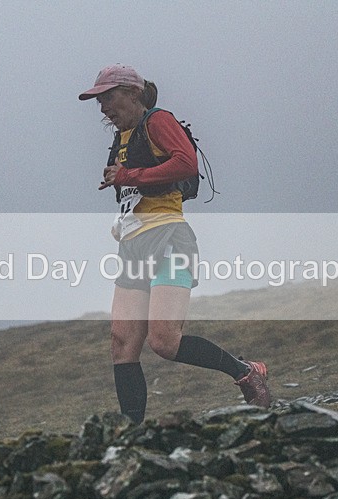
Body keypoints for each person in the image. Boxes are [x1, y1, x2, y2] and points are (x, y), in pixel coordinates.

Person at [79, 64, 271, 424]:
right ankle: (130, 433)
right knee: (122, 342)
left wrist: (128, 175)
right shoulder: (122, 138)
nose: (103, 107)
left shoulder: (157, 120)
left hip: (169, 239)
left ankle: (246, 372)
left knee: (164, 341)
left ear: (133, 93)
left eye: (108, 97)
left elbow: (186, 163)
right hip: (134, 244)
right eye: (98, 101)